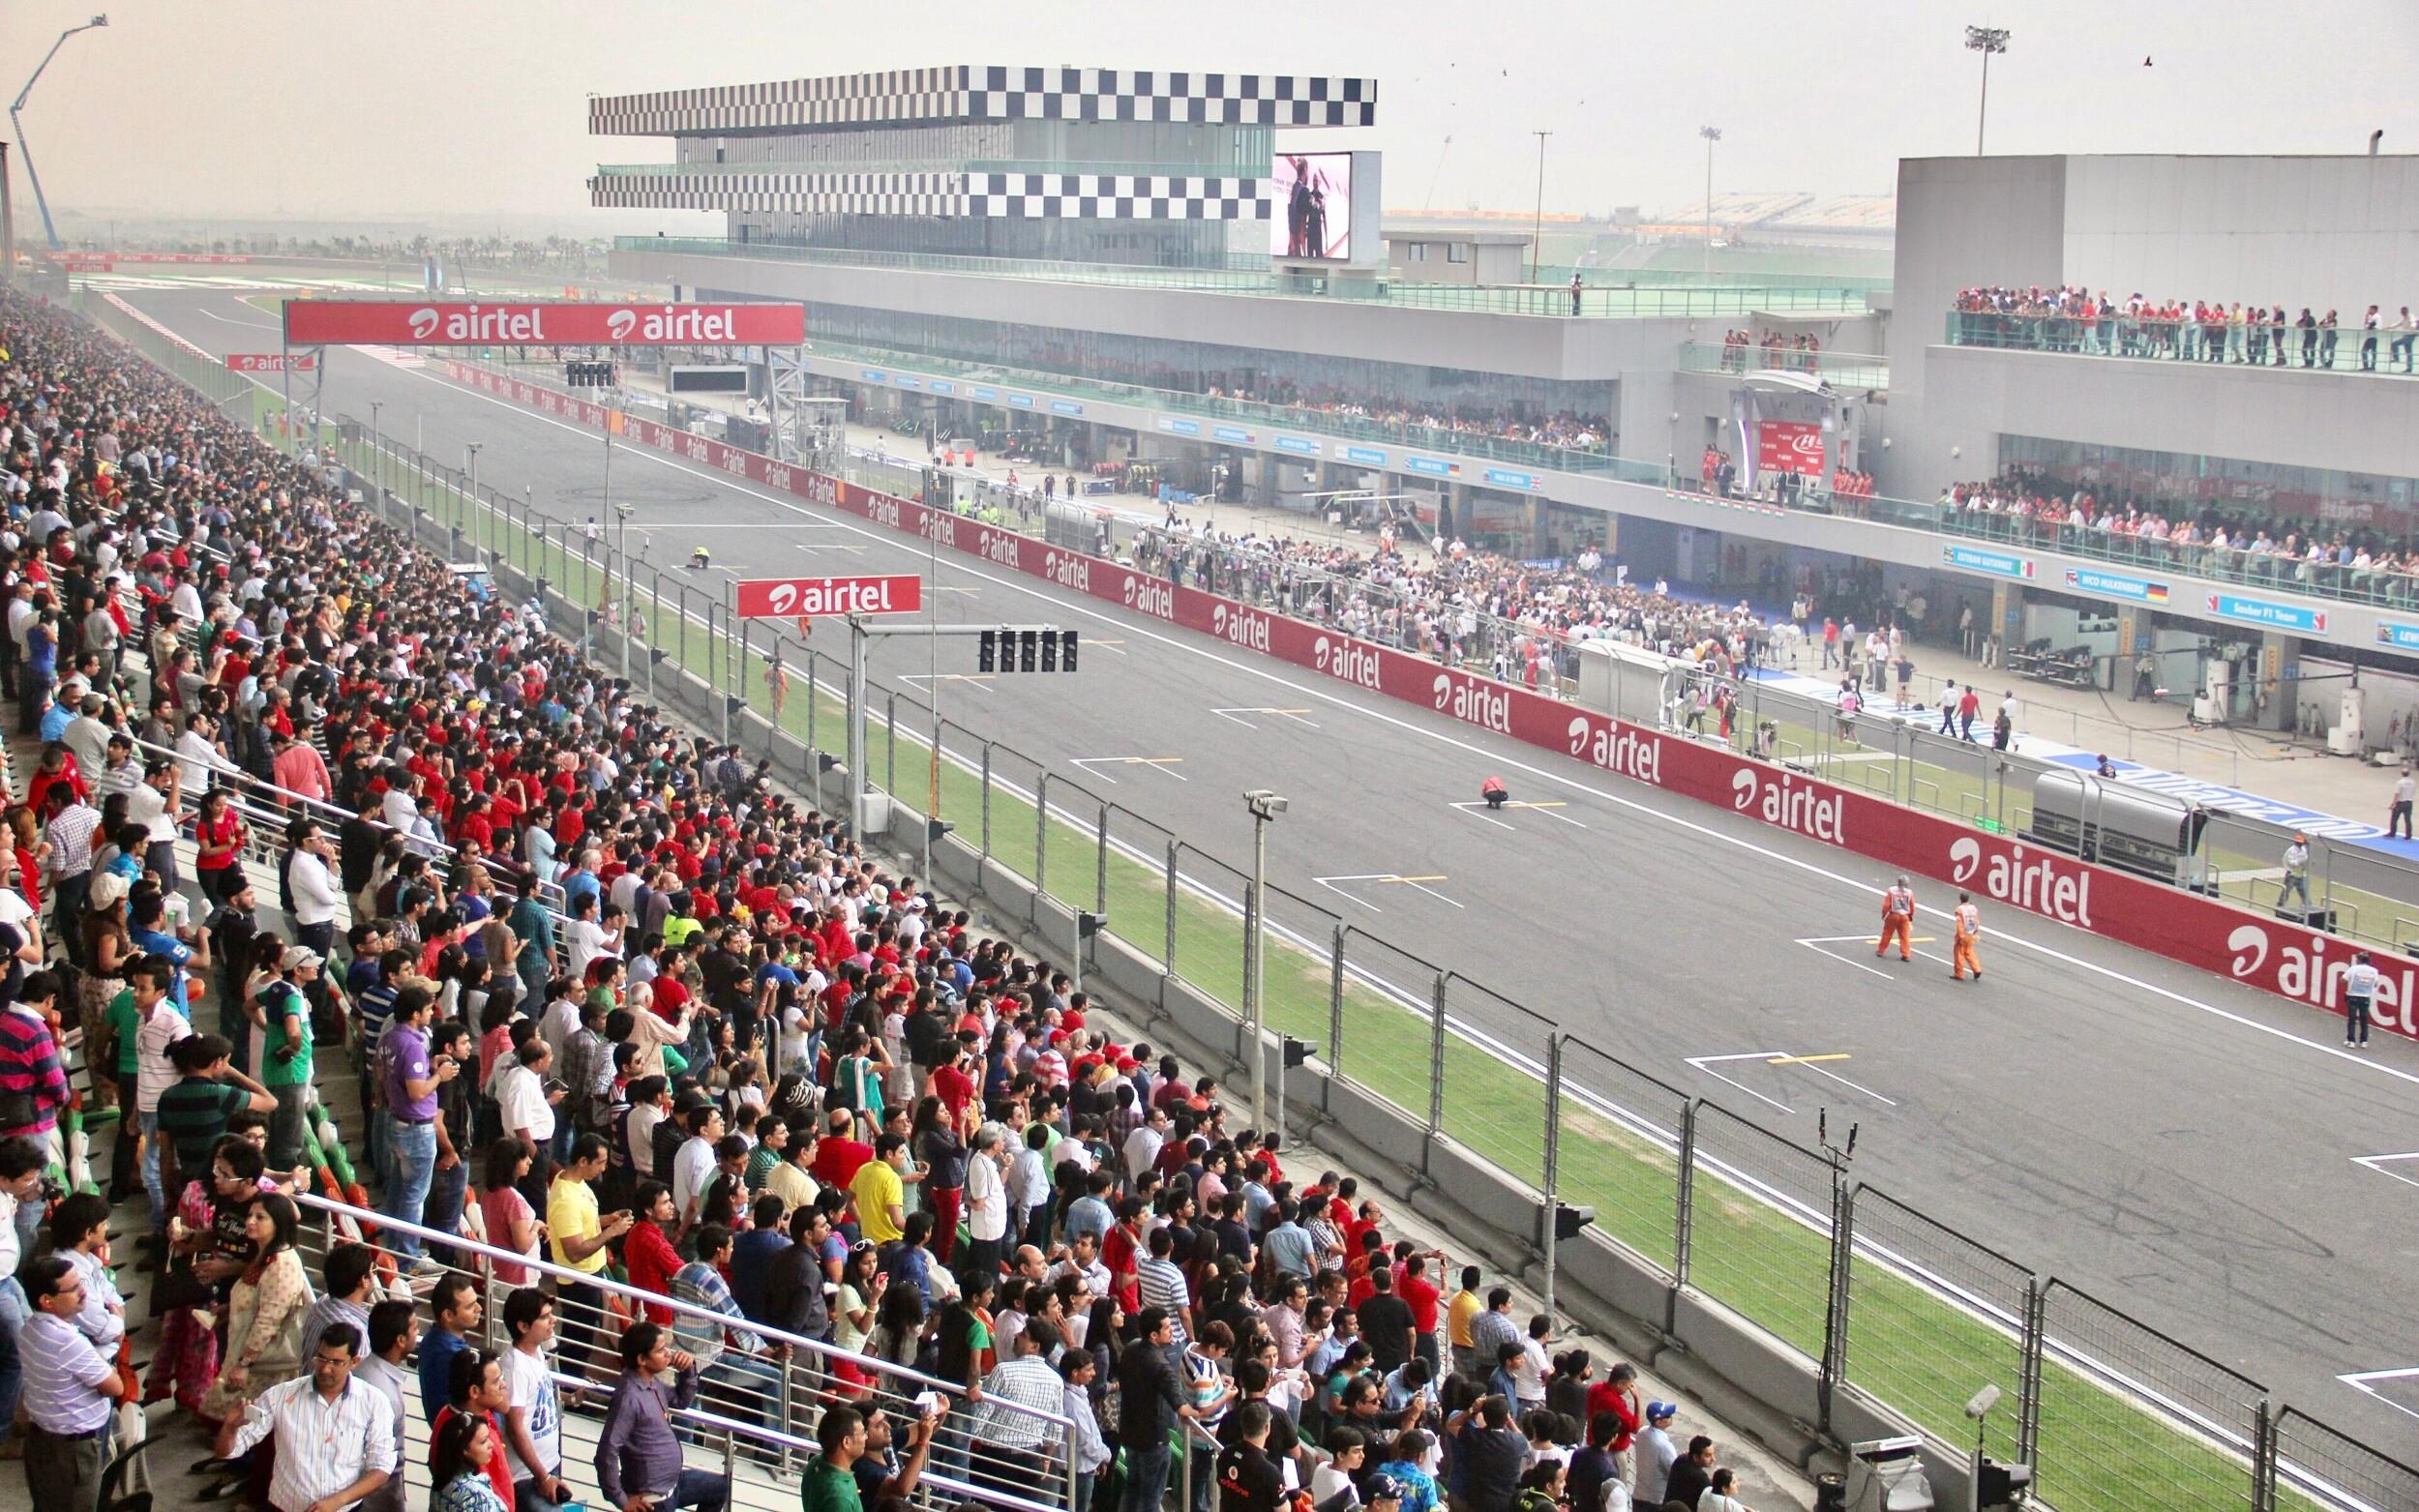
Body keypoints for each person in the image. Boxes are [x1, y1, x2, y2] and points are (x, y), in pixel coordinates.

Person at [216, 1322, 399, 1512]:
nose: (325, 1369)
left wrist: (338, 1501)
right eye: (321, 1358)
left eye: (336, 1362)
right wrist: (229, 1429)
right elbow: (228, 1451)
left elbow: (381, 1467)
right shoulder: (280, 1396)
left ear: (354, 1362)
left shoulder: (375, 1403)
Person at [16, 1254, 127, 1506]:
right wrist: (110, 1354)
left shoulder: (29, 1329)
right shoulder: (68, 1343)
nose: (83, 1292)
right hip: (72, 1453)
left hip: (42, 1442)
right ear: (47, 1301)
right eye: (74, 1288)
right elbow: (115, 1387)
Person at [595, 1322, 727, 1512]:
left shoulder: (650, 1382)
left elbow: (681, 1401)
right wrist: (622, 1500)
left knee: (719, 1488)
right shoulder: (629, 1398)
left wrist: (688, 1370)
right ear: (642, 1359)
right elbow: (606, 1453)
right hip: (654, 1501)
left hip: (674, 1485)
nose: (668, 1353)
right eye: (661, 1350)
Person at [499, 1289, 566, 1512]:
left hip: (547, 1467)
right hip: (529, 1477)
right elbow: (515, 1427)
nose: (553, 1320)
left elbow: (536, 1401)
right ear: (523, 1327)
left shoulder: (536, 1353)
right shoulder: (515, 1367)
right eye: (545, 1317)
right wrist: (543, 1477)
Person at [433, 1411, 513, 1512]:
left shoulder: (442, 1483)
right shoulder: (472, 1495)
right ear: (464, 1450)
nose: (491, 1444)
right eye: (483, 1441)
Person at [799, 1404, 867, 1512]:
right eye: (863, 1433)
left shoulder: (815, 1462)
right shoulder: (840, 1496)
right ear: (846, 1442)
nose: (866, 1437)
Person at [1662, 1434, 1717, 1509]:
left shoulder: (1681, 1459)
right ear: (1696, 1457)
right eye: (1708, 1456)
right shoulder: (1700, 1477)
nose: (1713, 1459)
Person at [1875, 875, 1914, 963]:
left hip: (1893, 915)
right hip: (1904, 916)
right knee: (1904, 936)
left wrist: (1884, 914)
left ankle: (1881, 951)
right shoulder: (1910, 892)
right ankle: (1906, 954)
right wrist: (1910, 916)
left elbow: (1886, 905)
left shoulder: (1891, 890)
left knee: (1887, 933)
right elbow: (1912, 906)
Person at [2346, 950, 2378, 1049]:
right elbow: (2376, 983)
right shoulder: (2374, 971)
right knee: (2364, 1020)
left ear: (2359, 960)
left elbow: (2343, 979)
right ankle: (2364, 1041)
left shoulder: (2353, 969)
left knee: (2352, 1019)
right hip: (2365, 997)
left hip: (2353, 995)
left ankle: (2351, 1041)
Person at [1951, 890, 1983, 984]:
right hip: (1971, 934)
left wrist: (1960, 936)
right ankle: (1977, 969)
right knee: (1969, 952)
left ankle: (1959, 974)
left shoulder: (1959, 910)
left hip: (1963, 935)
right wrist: (1976, 932)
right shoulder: (1973, 908)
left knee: (1959, 953)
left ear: (1960, 899)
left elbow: (1960, 924)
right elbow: (1977, 921)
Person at [2279, 834, 2313, 911]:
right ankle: (2280, 906)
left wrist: (2306, 863)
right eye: (2298, 842)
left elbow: (2305, 858)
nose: (2299, 844)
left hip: (2300, 874)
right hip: (2291, 874)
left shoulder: (2303, 850)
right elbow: (2292, 862)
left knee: (2304, 892)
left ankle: (2309, 907)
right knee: (2286, 892)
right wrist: (2301, 862)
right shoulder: (2292, 850)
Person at [2394, 766, 2416, 842]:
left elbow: (2397, 794)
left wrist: (2393, 803)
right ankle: (2408, 835)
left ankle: (2392, 833)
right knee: (2408, 820)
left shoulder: (2399, 782)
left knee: (2394, 819)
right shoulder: (2413, 782)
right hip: (2409, 802)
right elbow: (2413, 791)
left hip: (2401, 802)